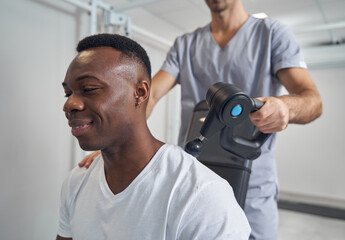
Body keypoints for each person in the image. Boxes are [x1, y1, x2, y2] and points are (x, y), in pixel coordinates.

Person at [79, 0, 323, 239]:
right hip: (193, 180)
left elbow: (312, 100)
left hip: (253, 183)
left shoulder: (272, 34)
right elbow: (148, 96)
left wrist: (286, 107)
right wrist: (114, 138)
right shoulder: (186, 45)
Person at [56, 33, 250, 240]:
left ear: (139, 92)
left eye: (89, 89)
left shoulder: (203, 197)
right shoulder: (77, 181)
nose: (69, 104)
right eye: (68, 93)